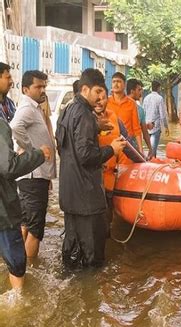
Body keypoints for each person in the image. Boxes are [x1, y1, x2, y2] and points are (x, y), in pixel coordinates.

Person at [55, 69, 126, 268]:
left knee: (72, 251)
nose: (99, 99)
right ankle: (90, 294)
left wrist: (95, 127)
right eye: (97, 93)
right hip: (86, 197)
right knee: (92, 257)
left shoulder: (68, 110)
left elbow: (64, 144)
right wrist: (112, 149)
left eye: (102, 95)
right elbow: (86, 156)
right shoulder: (85, 115)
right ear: (85, 89)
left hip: (70, 194)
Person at [10, 70, 56, 258]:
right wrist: (32, 152)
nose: (42, 90)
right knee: (36, 231)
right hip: (33, 177)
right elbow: (14, 128)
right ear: (26, 89)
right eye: (38, 86)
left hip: (34, 176)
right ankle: (28, 270)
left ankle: (17, 266)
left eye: (44, 86)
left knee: (26, 224)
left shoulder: (35, 107)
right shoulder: (27, 108)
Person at [1, 116, 50, 291]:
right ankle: (19, 301)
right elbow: (9, 167)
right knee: (16, 263)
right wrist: (38, 154)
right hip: (3, 212)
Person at [95, 88, 144, 224]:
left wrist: (144, 163)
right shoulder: (83, 120)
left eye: (103, 98)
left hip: (108, 181)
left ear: (108, 99)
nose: (99, 102)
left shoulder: (115, 120)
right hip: (89, 183)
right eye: (96, 98)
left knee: (106, 223)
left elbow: (128, 146)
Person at [107, 72, 143, 152]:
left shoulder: (132, 103)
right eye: (114, 82)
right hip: (110, 147)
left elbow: (137, 129)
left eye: (119, 82)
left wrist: (140, 150)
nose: (116, 84)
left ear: (124, 85)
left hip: (127, 148)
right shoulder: (106, 102)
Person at [127, 78, 153, 159]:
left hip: (130, 149)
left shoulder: (140, 110)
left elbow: (144, 131)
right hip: (132, 150)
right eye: (139, 90)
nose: (141, 92)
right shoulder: (139, 110)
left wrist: (150, 148)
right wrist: (150, 148)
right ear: (132, 91)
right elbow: (145, 132)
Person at [143, 80, 169, 158]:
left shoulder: (146, 98)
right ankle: (149, 164)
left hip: (146, 127)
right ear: (158, 88)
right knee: (153, 150)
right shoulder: (160, 98)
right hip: (155, 127)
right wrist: (166, 127)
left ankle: (150, 163)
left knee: (151, 149)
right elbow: (162, 115)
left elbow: (143, 113)